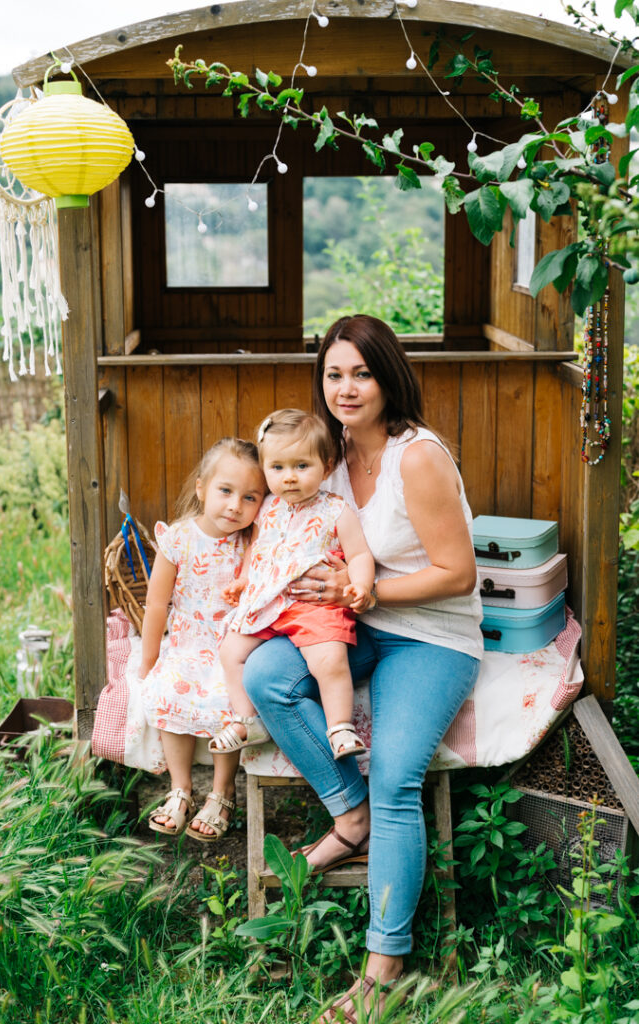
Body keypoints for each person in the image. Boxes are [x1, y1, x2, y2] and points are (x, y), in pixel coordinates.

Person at [243, 316, 484, 1019]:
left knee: (399, 772)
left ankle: (383, 968)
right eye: (333, 374)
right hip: (357, 624)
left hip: (431, 633)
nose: (346, 389)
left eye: (362, 373)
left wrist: (362, 589)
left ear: (388, 377)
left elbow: (458, 574)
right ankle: (351, 815)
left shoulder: (419, 457)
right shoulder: (331, 451)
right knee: (265, 677)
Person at [209, 408, 375, 762]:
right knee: (230, 652)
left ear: (326, 467)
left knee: (329, 659)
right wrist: (243, 579)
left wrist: (360, 585)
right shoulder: (268, 507)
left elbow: (360, 554)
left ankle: (340, 727)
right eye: (278, 468)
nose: (289, 478)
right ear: (265, 469)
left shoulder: (335, 510)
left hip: (313, 606)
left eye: (302, 466)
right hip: (267, 602)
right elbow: (259, 548)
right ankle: (248, 720)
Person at [139, 437, 266, 842]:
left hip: (231, 645)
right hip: (187, 641)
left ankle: (222, 791)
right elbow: (157, 604)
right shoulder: (178, 538)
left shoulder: (253, 542)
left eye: (250, 497)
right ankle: (180, 788)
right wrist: (149, 658)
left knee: (229, 700)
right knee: (168, 689)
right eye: (225, 491)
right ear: (201, 488)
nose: (235, 506)